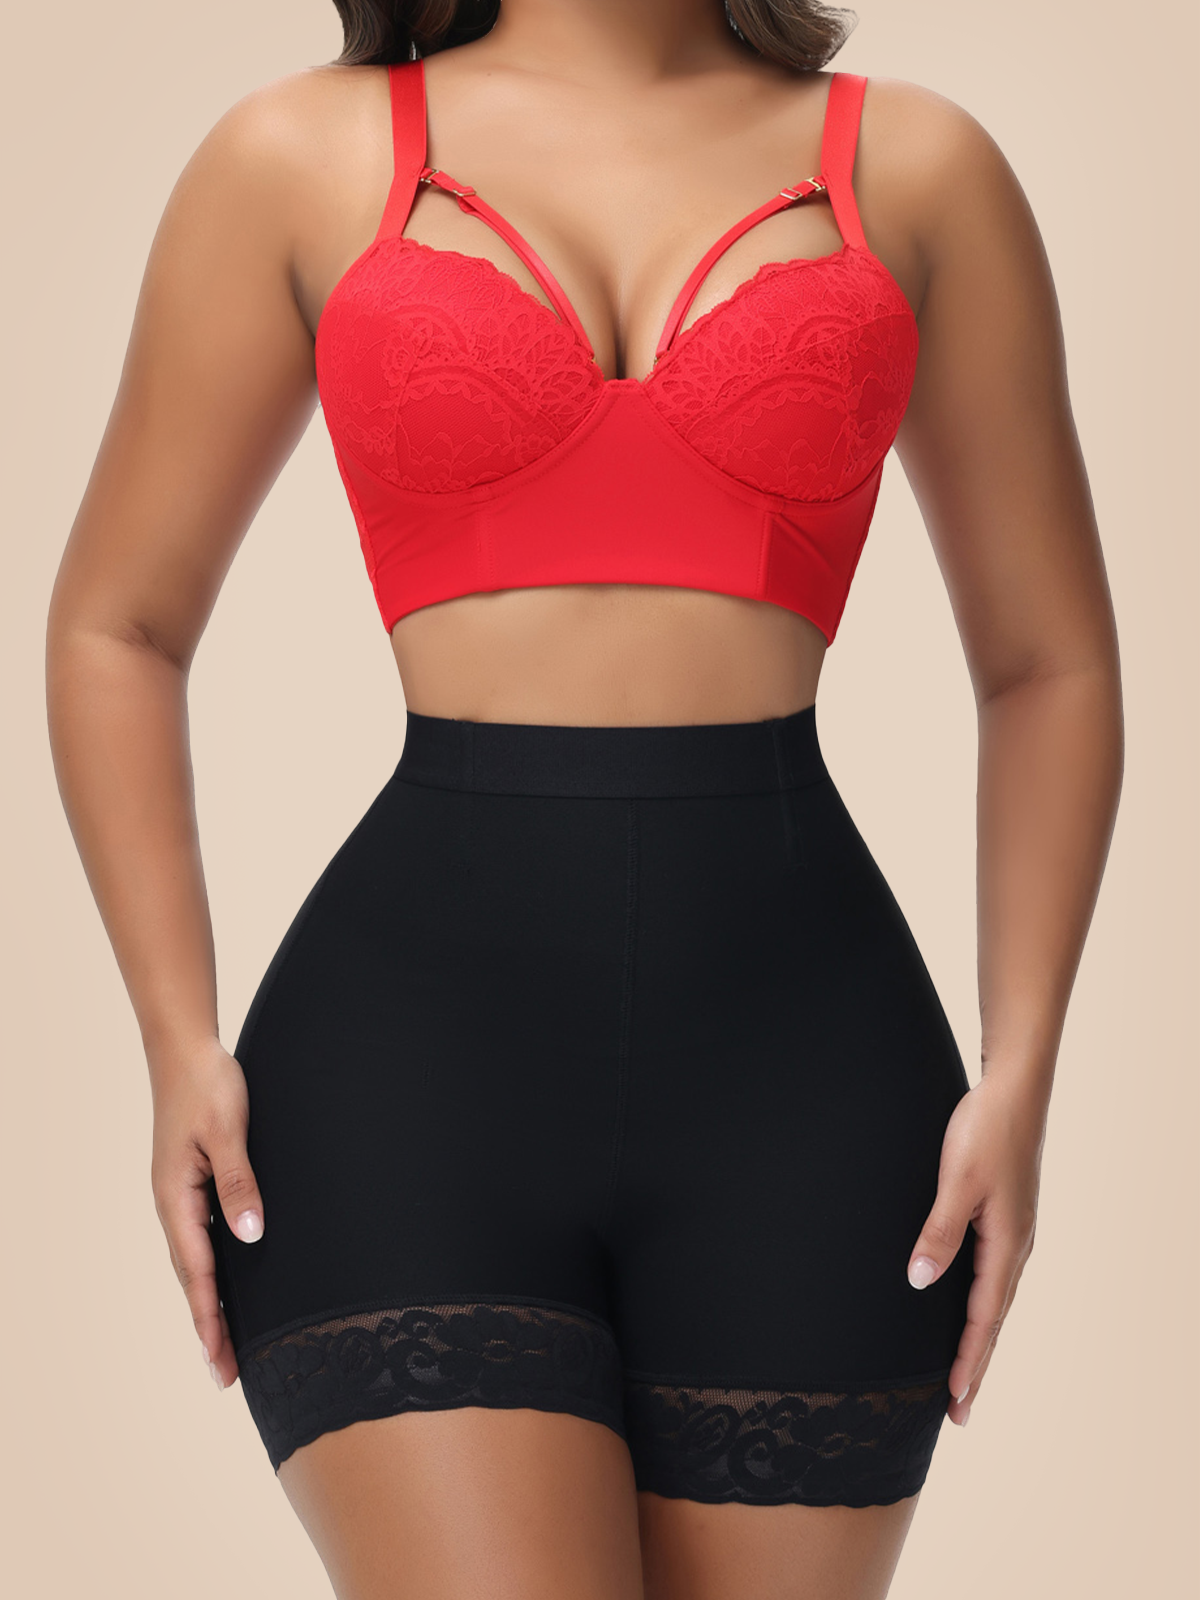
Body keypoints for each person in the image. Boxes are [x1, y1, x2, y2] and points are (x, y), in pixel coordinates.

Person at [45, 1, 1123, 1595]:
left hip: (812, 1086)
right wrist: (172, 1036)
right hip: (404, 1080)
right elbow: (116, 624)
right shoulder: (297, 156)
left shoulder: (920, 168)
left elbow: (1048, 664)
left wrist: (1025, 1071)